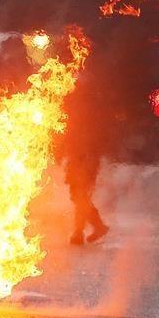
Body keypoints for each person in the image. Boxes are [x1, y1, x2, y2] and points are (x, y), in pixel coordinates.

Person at [60, 73, 109, 246]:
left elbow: (90, 135)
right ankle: (92, 227)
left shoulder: (88, 110)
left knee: (80, 195)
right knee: (78, 195)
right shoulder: (81, 108)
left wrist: (87, 157)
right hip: (79, 156)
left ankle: (81, 232)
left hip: (85, 157)